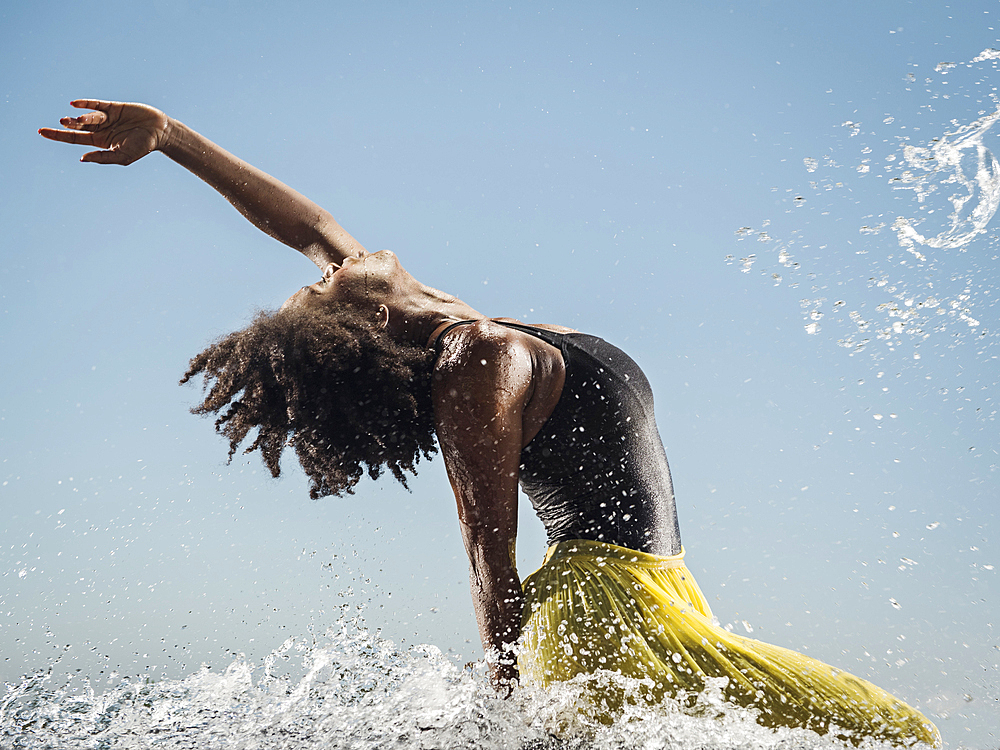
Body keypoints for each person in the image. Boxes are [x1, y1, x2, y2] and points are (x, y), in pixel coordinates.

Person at [41, 100, 940, 746]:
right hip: (609, 613)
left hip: (655, 598)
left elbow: (309, 226)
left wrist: (173, 140)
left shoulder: (448, 318)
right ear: (369, 326)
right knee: (900, 733)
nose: (325, 266)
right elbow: (486, 547)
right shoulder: (476, 362)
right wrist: (511, 706)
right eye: (318, 288)